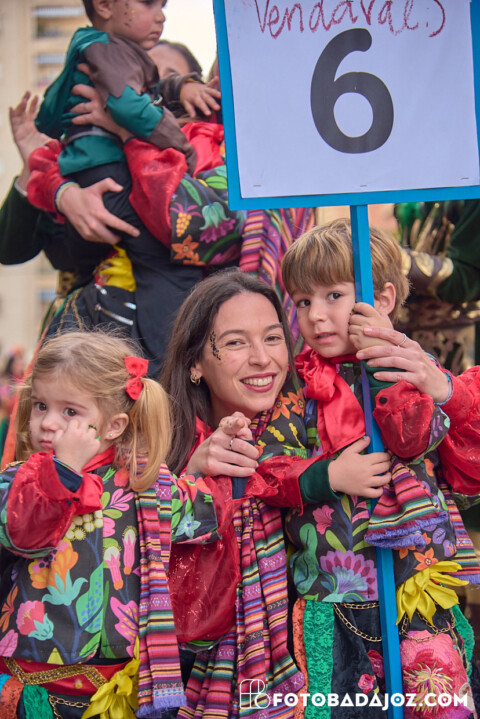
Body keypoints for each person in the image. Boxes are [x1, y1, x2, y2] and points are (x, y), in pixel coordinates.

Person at [279, 218, 480, 717]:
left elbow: (415, 439)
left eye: (334, 296)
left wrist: (384, 366)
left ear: (382, 299)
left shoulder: (412, 365)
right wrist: (327, 476)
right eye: (303, 301)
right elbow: (271, 469)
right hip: (329, 595)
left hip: (415, 590)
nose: (316, 316)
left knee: (436, 704)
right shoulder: (294, 386)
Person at [0, 330, 226, 718]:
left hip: (118, 687)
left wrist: (216, 464)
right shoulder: (19, 480)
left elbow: (206, 516)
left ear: (114, 425)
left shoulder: (144, 482)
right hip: (37, 686)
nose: (48, 423)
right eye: (40, 406)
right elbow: (23, 533)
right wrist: (63, 473)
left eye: (70, 412)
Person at [31, 0, 222, 373]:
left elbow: (51, 114)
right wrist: (63, 194)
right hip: (99, 307)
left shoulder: (89, 52)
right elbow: (129, 106)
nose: (161, 15)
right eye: (149, 4)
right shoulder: (112, 60)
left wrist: (179, 89)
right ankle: (168, 370)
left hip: (98, 215)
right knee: (169, 267)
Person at [161, 270, 309, 718]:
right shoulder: (155, 446)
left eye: (273, 338)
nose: (263, 359)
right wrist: (191, 476)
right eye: (236, 343)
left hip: (306, 668)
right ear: (195, 363)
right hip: (184, 674)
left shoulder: (319, 431)